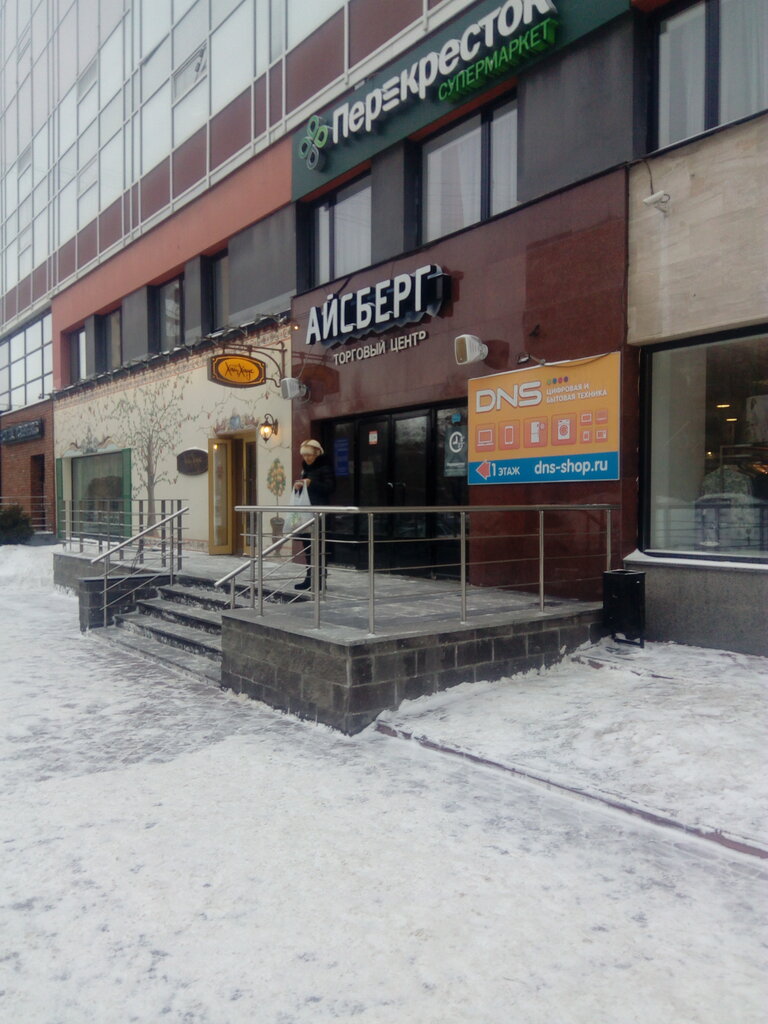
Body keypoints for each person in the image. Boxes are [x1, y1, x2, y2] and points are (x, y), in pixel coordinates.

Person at [293, 439, 335, 590]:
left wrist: (311, 483)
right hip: (307, 513)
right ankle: (309, 579)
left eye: (309, 455)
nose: (307, 458)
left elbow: (330, 488)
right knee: (308, 548)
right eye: (304, 455)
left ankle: (320, 581)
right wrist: (298, 487)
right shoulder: (306, 469)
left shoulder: (325, 467)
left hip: (320, 514)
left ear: (317, 453)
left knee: (319, 548)